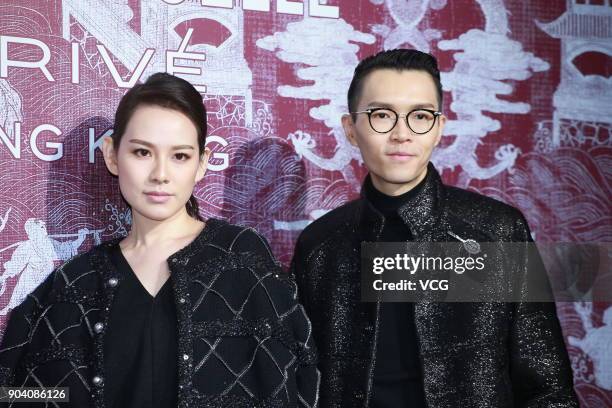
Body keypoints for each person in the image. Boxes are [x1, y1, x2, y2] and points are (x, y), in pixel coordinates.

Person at [0, 73, 319, 408]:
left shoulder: (243, 259)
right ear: (111, 154)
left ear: (201, 164)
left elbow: (294, 378)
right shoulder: (75, 284)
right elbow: (21, 392)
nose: (160, 174)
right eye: (142, 152)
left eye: (180, 156)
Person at [290, 49, 578, 407]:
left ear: (439, 128)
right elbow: (300, 379)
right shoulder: (320, 246)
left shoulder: (496, 231)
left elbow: (548, 388)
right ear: (351, 129)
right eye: (381, 115)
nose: (401, 134)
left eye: (420, 116)